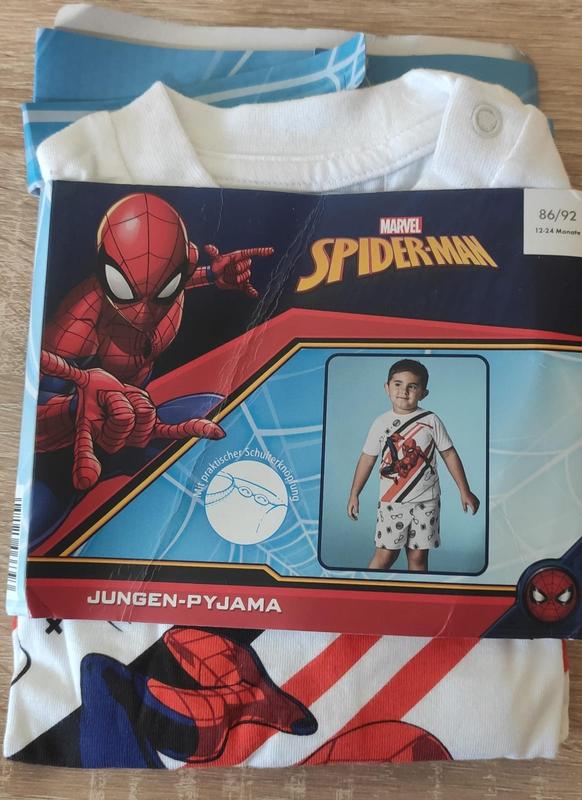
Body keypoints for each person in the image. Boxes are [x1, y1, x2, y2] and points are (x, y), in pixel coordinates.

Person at [347, 359, 479, 572]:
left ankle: (418, 593)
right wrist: (355, 493)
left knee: (418, 559)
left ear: (423, 393)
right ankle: (368, 590)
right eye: (398, 384)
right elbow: (367, 459)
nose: (404, 391)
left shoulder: (430, 420)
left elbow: (449, 454)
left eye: (412, 386)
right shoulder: (381, 423)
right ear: (387, 387)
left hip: (427, 501)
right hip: (393, 502)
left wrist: (465, 490)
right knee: (385, 556)